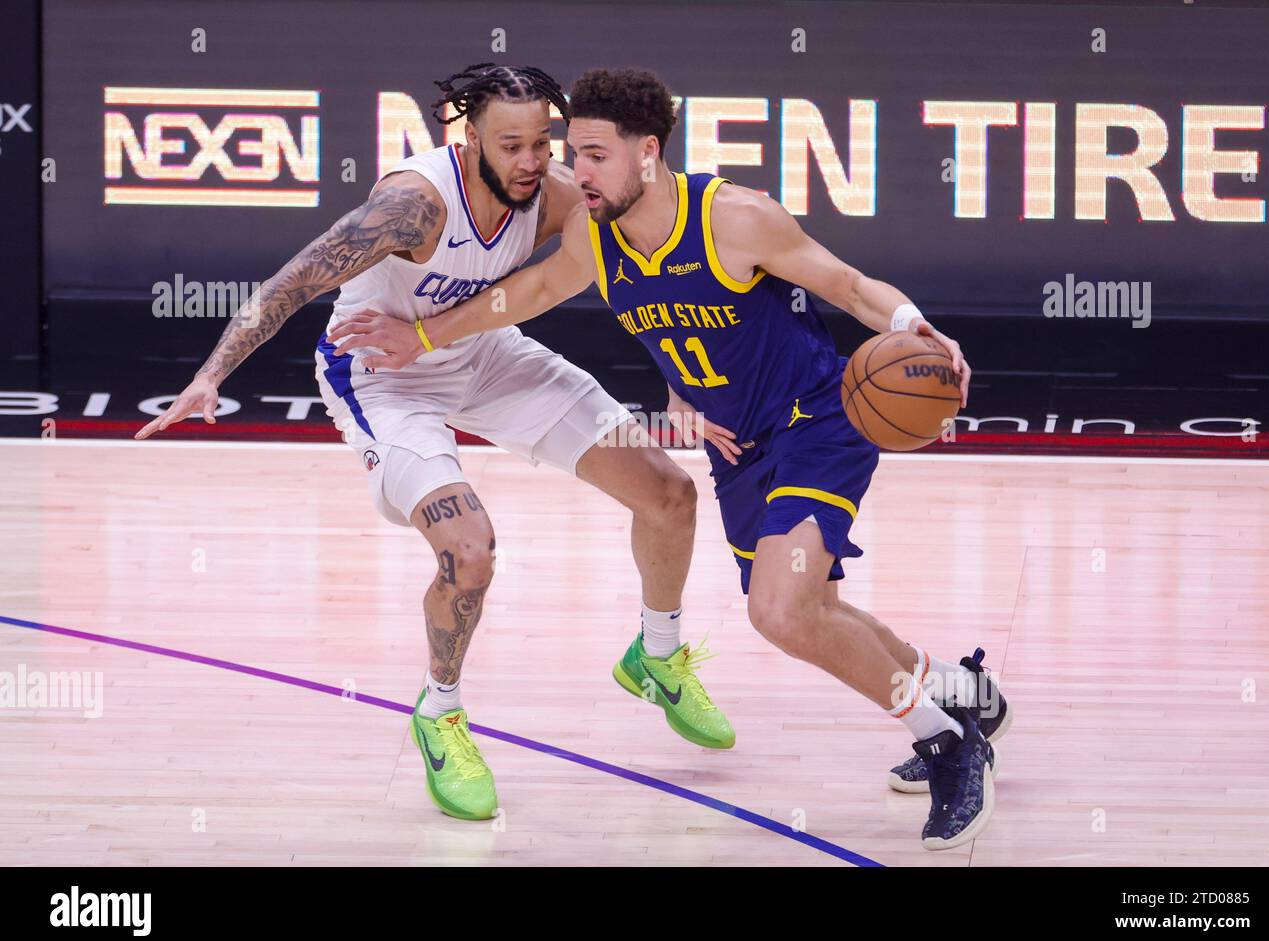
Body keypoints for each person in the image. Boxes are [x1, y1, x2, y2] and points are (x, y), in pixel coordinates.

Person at [337, 68, 1012, 849]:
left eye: (593, 156)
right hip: (738, 448)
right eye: (572, 155)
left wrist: (913, 323)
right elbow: (524, 296)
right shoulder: (595, 232)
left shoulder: (734, 217)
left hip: (815, 421)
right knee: (813, 612)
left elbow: (848, 285)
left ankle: (949, 743)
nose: (573, 175)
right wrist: (421, 337)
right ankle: (960, 691)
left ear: (647, 153)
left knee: (780, 611)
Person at [135, 64, 735, 824]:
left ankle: (657, 654)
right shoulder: (413, 206)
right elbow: (296, 280)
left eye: (541, 143)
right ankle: (441, 711)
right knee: (471, 551)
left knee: (670, 492)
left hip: (484, 354)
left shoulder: (552, 195)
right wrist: (211, 373)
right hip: (384, 378)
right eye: (510, 145)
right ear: (469, 136)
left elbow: (629, 273)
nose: (529, 161)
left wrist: (679, 378)